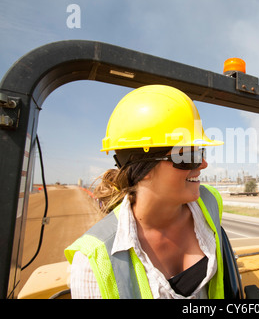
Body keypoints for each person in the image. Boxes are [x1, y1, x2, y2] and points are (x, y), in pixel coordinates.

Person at [65, 85, 224, 299]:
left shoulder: (210, 201)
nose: (203, 164)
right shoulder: (93, 262)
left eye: (200, 151)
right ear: (143, 168)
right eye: (188, 156)